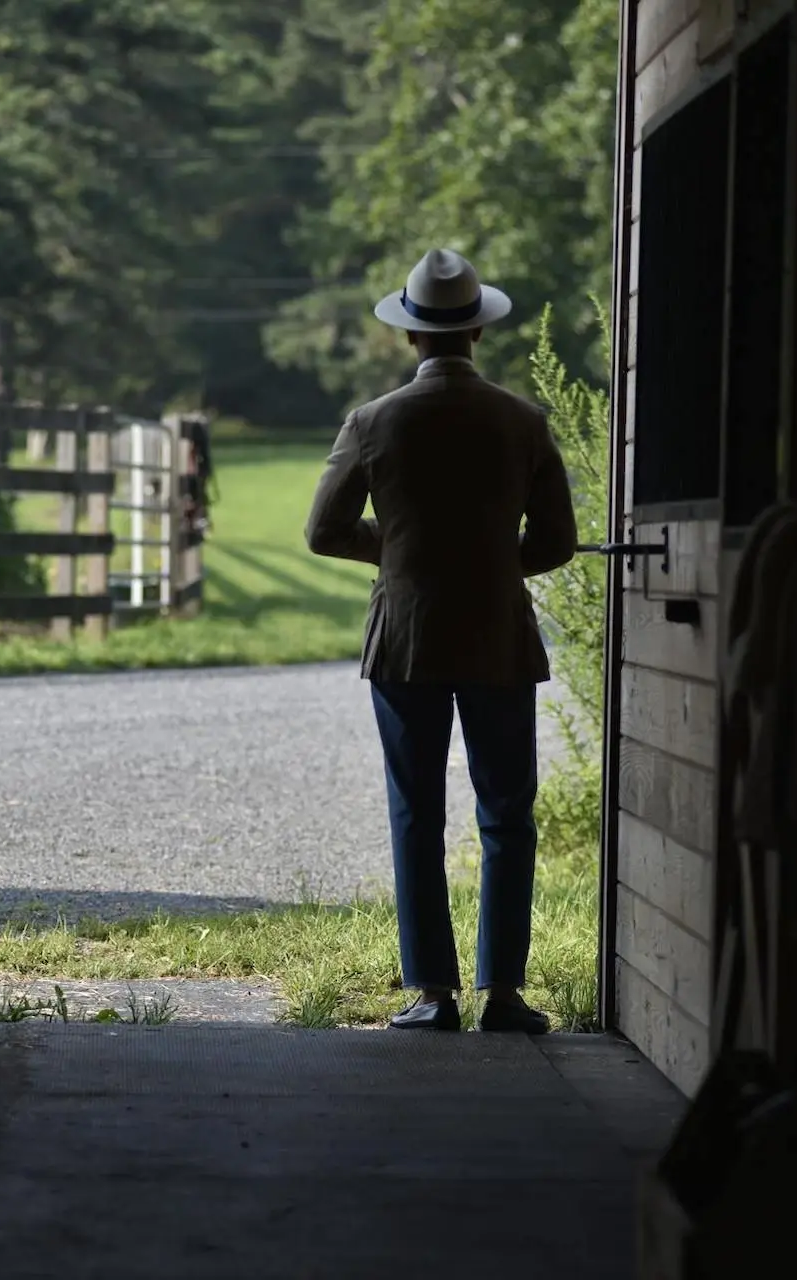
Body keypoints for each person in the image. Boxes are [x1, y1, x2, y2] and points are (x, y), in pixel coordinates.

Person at [304, 248, 578, 1033]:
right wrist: (494, 565)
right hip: (498, 634)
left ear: (409, 337)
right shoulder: (523, 421)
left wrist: (397, 556)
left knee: (415, 812)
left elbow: (323, 531)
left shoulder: (372, 422)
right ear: (479, 334)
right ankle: (505, 994)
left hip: (406, 641)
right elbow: (556, 541)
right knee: (506, 814)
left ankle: (431, 992)